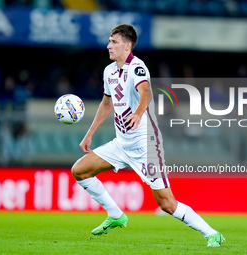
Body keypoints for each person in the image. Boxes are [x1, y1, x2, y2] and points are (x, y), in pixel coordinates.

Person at [71, 24, 225, 247]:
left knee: (167, 204)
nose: (108, 46)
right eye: (109, 41)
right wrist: (89, 134)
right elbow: (107, 103)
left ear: (127, 45)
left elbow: (145, 92)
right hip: (121, 144)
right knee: (80, 170)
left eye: (113, 42)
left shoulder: (138, 68)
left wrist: (138, 112)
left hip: (146, 146)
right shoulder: (109, 72)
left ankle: (212, 234)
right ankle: (116, 215)